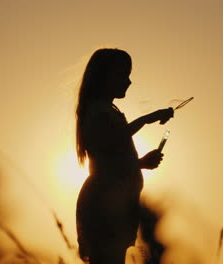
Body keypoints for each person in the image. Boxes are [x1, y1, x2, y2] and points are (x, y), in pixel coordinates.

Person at [75, 48, 173, 264]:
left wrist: (139, 164)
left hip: (115, 204)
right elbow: (112, 139)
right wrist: (148, 118)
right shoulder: (97, 111)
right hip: (105, 206)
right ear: (104, 77)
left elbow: (109, 160)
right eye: (123, 74)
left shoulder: (106, 110)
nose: (129, 81)